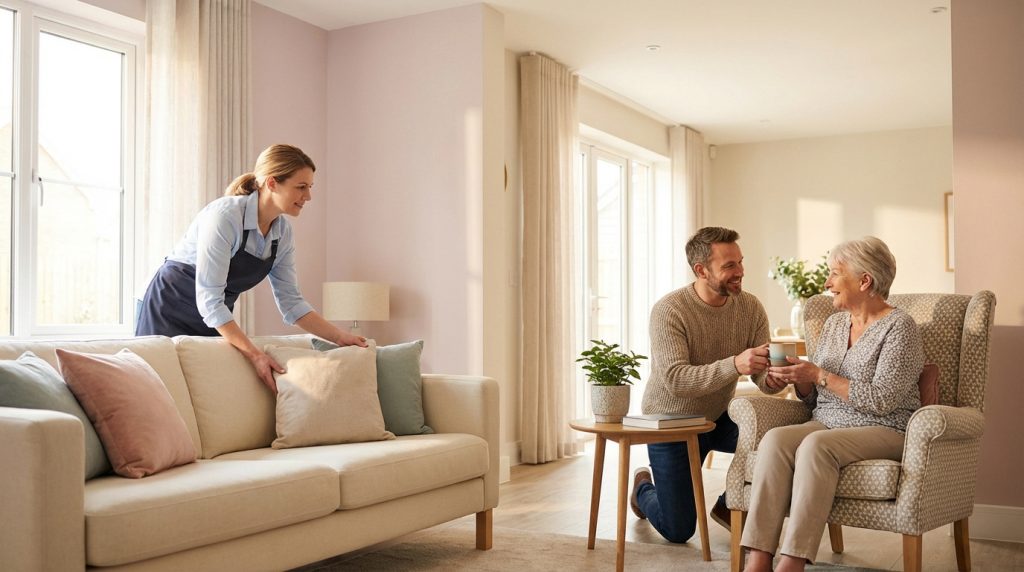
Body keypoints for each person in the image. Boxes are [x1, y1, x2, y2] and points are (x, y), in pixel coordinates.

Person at [740, 236, 924, 572]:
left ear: (864, 280)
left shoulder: (900, 328)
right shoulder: (835, 323)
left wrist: (820, 374)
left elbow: (883, 399)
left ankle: (793, 561)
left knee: (816, 446)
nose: (827, 283)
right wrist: (800, 378)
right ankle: (759, 557)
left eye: (834, 274)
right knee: (776, 440)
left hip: (885, 427)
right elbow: (814, 397)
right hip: (827, 420)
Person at [136, 144, 366, 392]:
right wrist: (255, 355)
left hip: (215, 316)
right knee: (161, 393)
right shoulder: (225, 217)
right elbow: (210, 300)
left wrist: (340, 337)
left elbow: (292, 303)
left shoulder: (282, 232)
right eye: (300, 187)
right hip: (169, 306)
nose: (308, 196)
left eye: (310, 187)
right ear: (272, 183)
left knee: (204, 393)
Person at [630, 226, 777, 543]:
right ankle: (642, 488)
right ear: (701, 270)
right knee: (678, 530)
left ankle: (728, 505)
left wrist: (775, 377)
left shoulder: (750, 308)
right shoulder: (670, 310)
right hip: (670, 422)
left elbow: (762, 378)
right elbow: (675, 380)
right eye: (729, 266)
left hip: (718, 416)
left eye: (739, 262)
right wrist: (735, 363)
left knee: (778, 436)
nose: (740, 272)